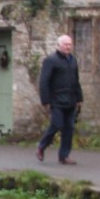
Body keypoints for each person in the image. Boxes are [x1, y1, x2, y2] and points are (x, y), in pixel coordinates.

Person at [36, 33, 83, 165]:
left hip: (71, 100)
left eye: (70, 44)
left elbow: (76, 81)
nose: (68, 47)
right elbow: (44, 81)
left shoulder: (73, 61)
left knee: (69, 128)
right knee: (57, 124)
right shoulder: (51, 60)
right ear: (59, 45)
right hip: (56, 100)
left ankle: (64, 156)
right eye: (65, 44)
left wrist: (79, 98)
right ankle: (41, 146)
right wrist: (45, 101)